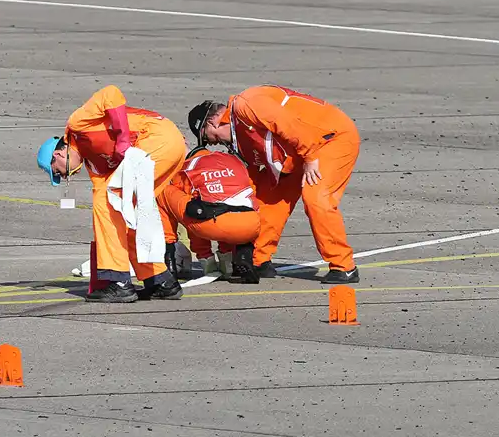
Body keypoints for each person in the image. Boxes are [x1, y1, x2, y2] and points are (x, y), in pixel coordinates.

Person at [188, 84, 361, 283]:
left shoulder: (246, 103)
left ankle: (344, 266)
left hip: (329, 139)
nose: (212, 143)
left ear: (212, 122)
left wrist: (310, 156)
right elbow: (251, 183)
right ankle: (258, 260)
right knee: (268, 198)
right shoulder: (240, 139)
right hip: (298, 152)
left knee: (317, 198)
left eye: (207, 137)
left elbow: (287, 123)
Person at [37, 85, 187, 303]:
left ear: (58, 154)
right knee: (125, 213)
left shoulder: (77, 124)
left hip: (156, 139)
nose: (65, 176)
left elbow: (111, 93)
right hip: (167, 146)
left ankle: (118, 281)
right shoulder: (94, 163)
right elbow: (102, 190)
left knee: (107, 203)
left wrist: (122, 138)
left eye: (59, 172)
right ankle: (160, 280)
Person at [158, 146, 261, 284]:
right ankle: (230, 262)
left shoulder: (187, 168)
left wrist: (203, 254)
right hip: (251, 225)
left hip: (214, 223)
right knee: (227, 205)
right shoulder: (233, 160)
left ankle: (171, 258)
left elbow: (192, 212)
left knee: (164, 192)